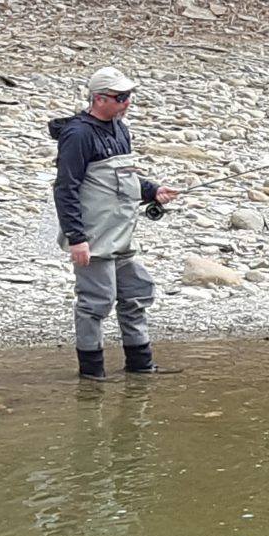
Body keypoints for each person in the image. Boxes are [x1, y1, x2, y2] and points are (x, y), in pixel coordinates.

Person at [50, 66, 181, 379]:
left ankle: (140, 366)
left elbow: (124, 177)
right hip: (94, 237)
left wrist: (152, 190)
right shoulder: (78, 135)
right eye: (121, 97)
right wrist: (77, 238)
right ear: (99, 99)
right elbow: (65, 188)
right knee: (96, 302)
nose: (127, 102)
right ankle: (92, 375)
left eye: (129, 95)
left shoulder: (120, 129)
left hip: (122, 234)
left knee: (135, 293)